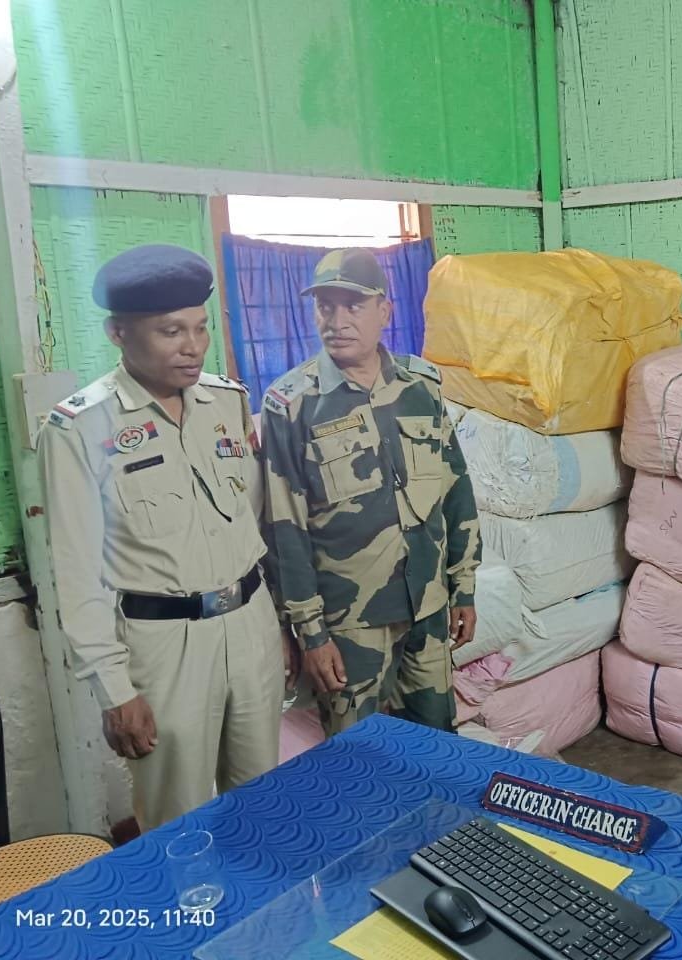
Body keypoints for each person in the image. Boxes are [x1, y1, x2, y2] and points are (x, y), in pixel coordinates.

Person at [37, 245, 287, 831]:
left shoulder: (228, 401)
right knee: (179, 822)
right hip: (164, 644)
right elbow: (76, 574)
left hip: (250, 625)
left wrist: (280, 627)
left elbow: (253, 522)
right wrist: (114, 689)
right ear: (118, 333)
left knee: (262, 802)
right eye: (171, 331)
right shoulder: (80, 427)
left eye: (200, 328)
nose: (193, 346)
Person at [260, 248, 481, 736]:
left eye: (353, 305)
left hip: (427, 605)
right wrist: (310, 634)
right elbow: (283, 530)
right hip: (350, 624)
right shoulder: (293, 405)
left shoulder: (420, 387)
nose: (337, 321)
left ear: (384, 311)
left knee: (437, 749)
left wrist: (462, 585)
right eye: (325, 306)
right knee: (357, 760)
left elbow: (455, 489)